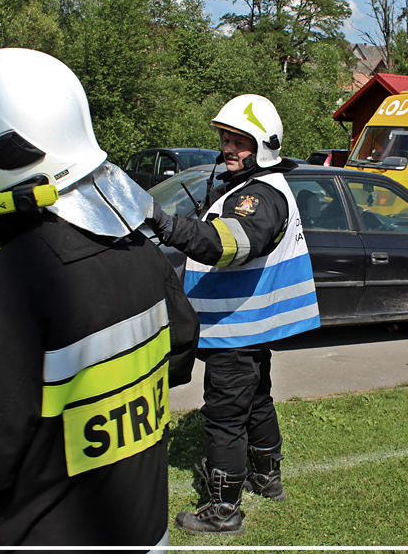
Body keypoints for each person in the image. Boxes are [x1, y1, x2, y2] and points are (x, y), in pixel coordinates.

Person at [0, 48, 199, 548]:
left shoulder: (3, 290)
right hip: (144, 534)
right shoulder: (141, 253)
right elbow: (181, 355)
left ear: (5, 155)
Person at [145, 94, 320, 536]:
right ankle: (267, 477)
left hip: (237, 329)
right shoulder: (253, 186)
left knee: (224, 415)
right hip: (250, 325)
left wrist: (165, 223)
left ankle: (223, 510)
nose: (228, 147)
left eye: (239, 141)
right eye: (225, 138)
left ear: (263, 144)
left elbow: (228, 244)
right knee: (257, 399)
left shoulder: (260, 195)